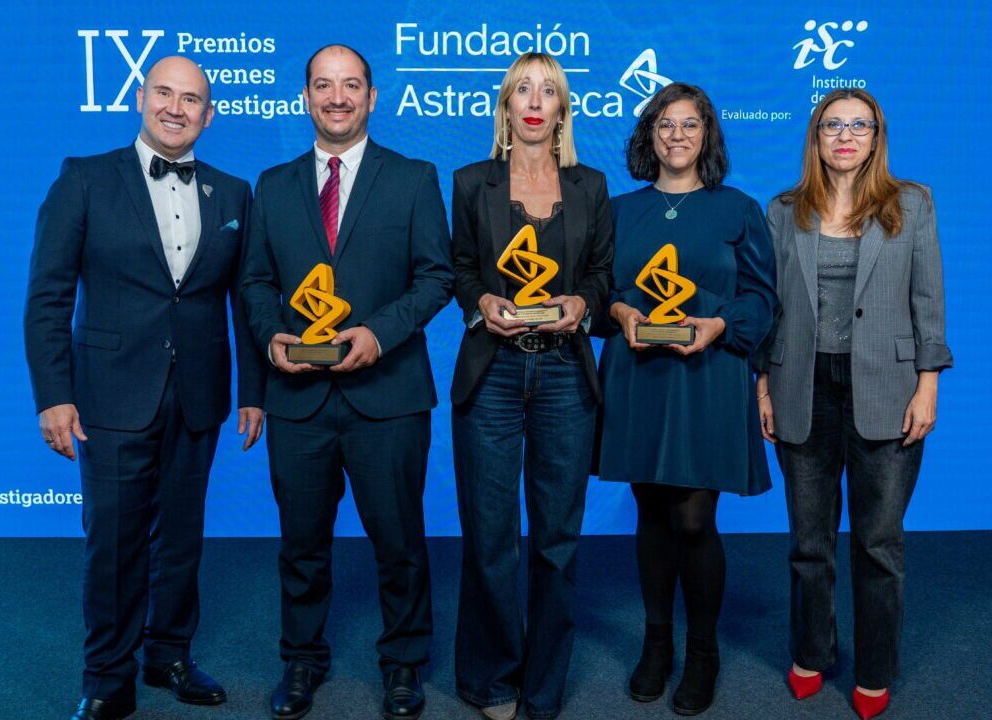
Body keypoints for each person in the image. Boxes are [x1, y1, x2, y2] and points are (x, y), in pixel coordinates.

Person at [24, 56, 266, 720]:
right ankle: (106, 675)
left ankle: (169, 655)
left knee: (182, 535)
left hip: (198, 392)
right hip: (108, 393)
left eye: (192, 100)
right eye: (165, 93)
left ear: (208, 115)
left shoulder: (234, 193)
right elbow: (48, 296)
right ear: (139, 98)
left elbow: (245, 304)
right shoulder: (84, 179)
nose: (176, 107)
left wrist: (253, 393)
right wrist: (53, 394)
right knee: (115, 541)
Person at [240, 44, 453, 720]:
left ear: (372, 97)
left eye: (351, 85)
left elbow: (437, 277)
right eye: (324, 85)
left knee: (400, 543)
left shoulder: (415, 177)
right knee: (300, 545)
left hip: (388, 396)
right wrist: (274, 335)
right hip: (298, 400)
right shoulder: (271, 185)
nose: (338, 97)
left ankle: (403, 665)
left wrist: (379, 334)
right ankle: (300, 663)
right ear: (305, 96)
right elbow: (254, 281)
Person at [756, 88, 952, 720]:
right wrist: (762, 381)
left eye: (858, 126)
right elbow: (769, 308)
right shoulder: (783, 210)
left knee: (877, 542)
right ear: (816, 137)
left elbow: (928, 300)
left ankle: (875, 668)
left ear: (876, 137)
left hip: (888, 391)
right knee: (808, 542)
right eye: (832, 125)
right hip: (800, 387)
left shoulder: (911, 205)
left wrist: (928, 382)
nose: (845, 135)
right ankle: (813, 651)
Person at [597, 82, 777, 715]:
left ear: (708, 136)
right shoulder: (618, 210)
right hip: (640, 372)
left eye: (690, 125)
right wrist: (619, 309)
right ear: (649, 135)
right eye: (664, 124)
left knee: (695, 517)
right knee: (651, 511)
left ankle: (703, 652)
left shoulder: (738, 209)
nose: (676, 135)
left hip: (709, 376)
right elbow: (600, 292)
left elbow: (762, 298)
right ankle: (657, 644)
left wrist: (720, 324)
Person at [449, 52, 613, 720]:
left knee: (556, 538)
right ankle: (492, 679)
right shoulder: (470, 182)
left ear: (563, 109)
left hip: (564, 373)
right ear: (507, 107)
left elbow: (602, 274)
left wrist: (583, 305)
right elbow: (459, 268)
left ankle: (543, 685)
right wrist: (482, 301)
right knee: (490, 536)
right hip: (492, 370)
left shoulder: (590, 185)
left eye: (548, 91)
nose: (536, 101)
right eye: (524, 90)